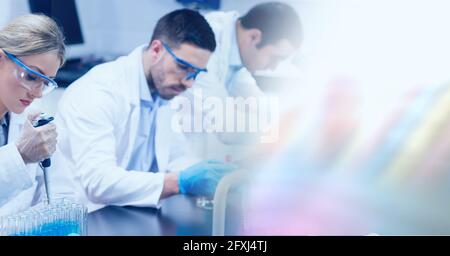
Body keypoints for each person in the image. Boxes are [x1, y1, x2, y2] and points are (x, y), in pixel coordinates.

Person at [49, 9, 236, 212]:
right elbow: (99, 182)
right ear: (156, 50)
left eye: (196, 73)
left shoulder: (164, 90)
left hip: (128, 212)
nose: (189, 83)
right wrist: (178, 182)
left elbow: (176, 156)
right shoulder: (98, 92)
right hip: (87, 217)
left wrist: (212, 176)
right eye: (183, 66)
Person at [172, 2, 302, 160]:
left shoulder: (236, 50)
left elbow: (255, 100)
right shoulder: (203, 41)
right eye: (274, 58)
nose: (274, 67)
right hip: (161, 157)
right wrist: (281, 133)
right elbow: (225, 124)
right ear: (254, 37)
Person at [0, 14, 65, 216]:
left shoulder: (30, 119)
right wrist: (20, 155)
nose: (37, 93)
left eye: (45, 82)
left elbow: (61, 191)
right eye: (30, 76)